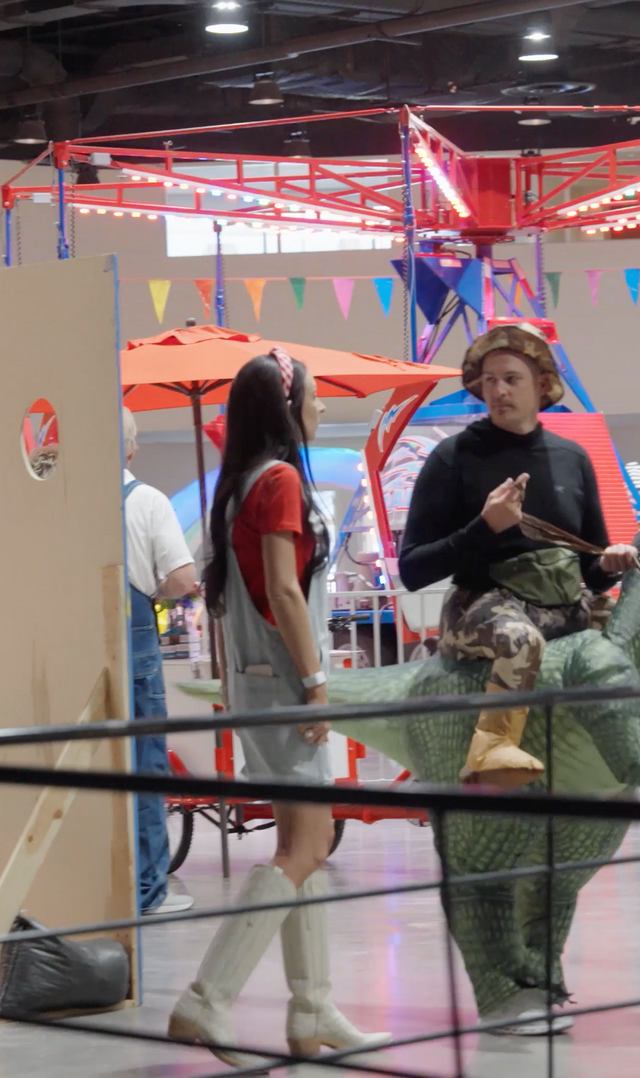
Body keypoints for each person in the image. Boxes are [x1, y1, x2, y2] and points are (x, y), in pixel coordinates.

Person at [168, 349, 388, 1064]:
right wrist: (318, 681)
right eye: (315, 398)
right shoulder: (283, 481)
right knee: (305, 848)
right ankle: (208, 999)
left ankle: (313, 1008)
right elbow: (285, 592)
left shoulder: (237, 486)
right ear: (289, 409)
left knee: (305, 849)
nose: (321, 410)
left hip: (254, 681)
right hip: (287, 686)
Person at [398, 324, 637, 787]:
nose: (498, 390)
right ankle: (491, 747)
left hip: (564, 601)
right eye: (489, 380)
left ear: (542, 385)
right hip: (483, 602)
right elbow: (413, 568)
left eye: (511, 378)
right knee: (519, 640)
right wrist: (485, 527)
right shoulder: (453, 457)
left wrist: (609, 563)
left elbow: (592, 569)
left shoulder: (572, 458)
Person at [120, 407, 198, 916]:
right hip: (137, 642)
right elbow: (183, 579)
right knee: (145, 762)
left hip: (84, 648)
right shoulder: (147, 501)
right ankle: (148, 889)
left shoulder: (67, 504)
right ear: (128, 447)